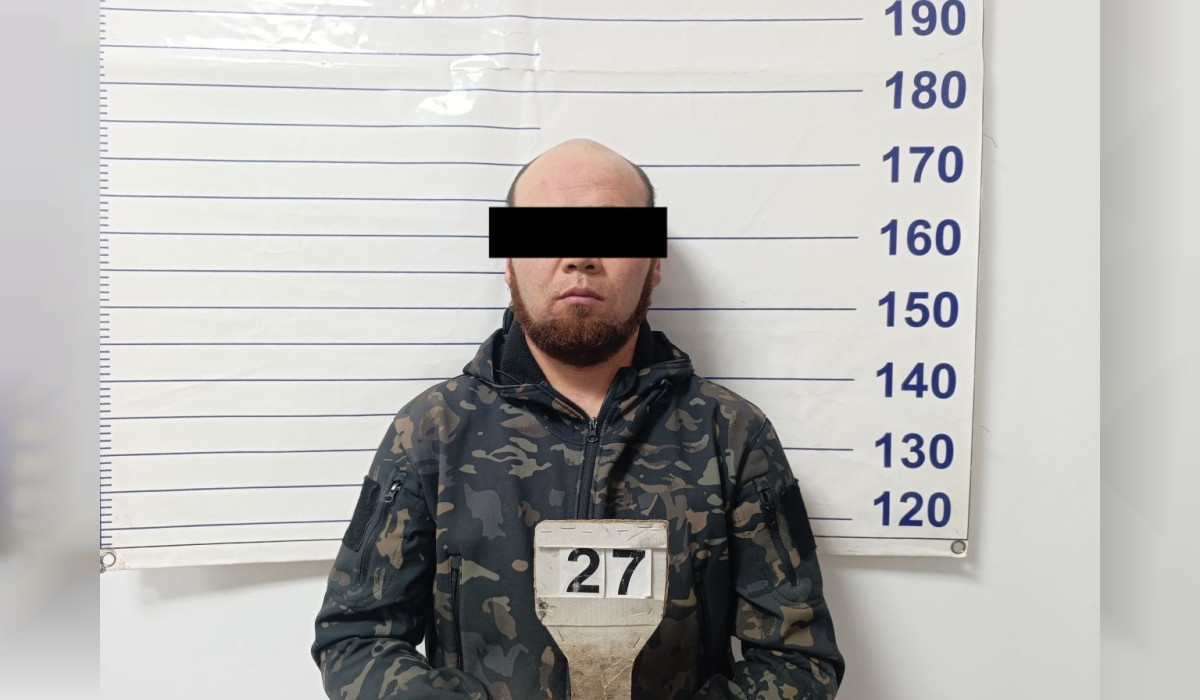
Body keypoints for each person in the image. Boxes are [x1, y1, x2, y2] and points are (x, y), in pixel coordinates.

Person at [311, 138, 845, 700]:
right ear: (509, 263)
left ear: (654, 263)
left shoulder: (732, 435)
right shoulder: (431, 432)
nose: (580, 256)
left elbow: (799, 659)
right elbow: (355, 639)